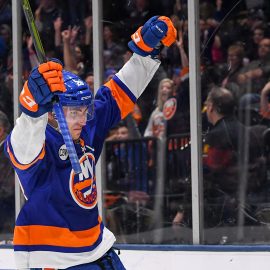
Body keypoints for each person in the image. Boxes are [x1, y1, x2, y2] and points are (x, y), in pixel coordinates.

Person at [4, 16, 176, 269]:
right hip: (54, 256)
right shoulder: (38, 141)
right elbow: (21, 148)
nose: (82, 119)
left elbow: (118, 91)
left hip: (98, 247)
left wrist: (146, 53)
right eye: (74, 112)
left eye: (84, 110)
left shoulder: (84, 124)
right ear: (53, 111)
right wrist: (31, 110)